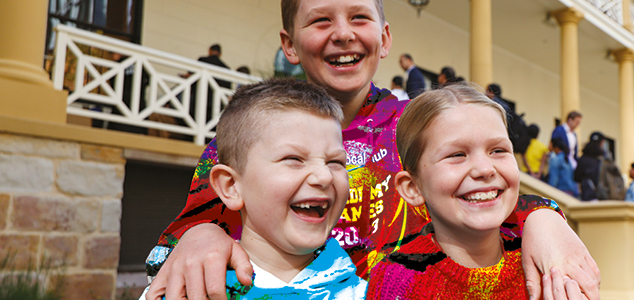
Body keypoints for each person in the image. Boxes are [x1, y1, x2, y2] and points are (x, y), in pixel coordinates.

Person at [143, 1, 600, 299]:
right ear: (290, 45)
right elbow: (197, 220)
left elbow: (480, 189)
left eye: (358, 18)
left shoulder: (419, 128)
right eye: (322, 20)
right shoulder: (246, 136)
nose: (342, 33)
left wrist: (543, 216)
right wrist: (200, 234)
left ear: (384, 39)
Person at [141, 79, 367, 299]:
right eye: (294, 158)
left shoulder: (369, 293)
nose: (324, 176)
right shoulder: (184, 288)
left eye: (336, 162)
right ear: (231, 186)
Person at [367, 84, 585, 299]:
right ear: (412, 187)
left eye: (498, 150)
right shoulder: (395, 280)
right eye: (457, 155)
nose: (484, 169)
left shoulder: (548, 263)